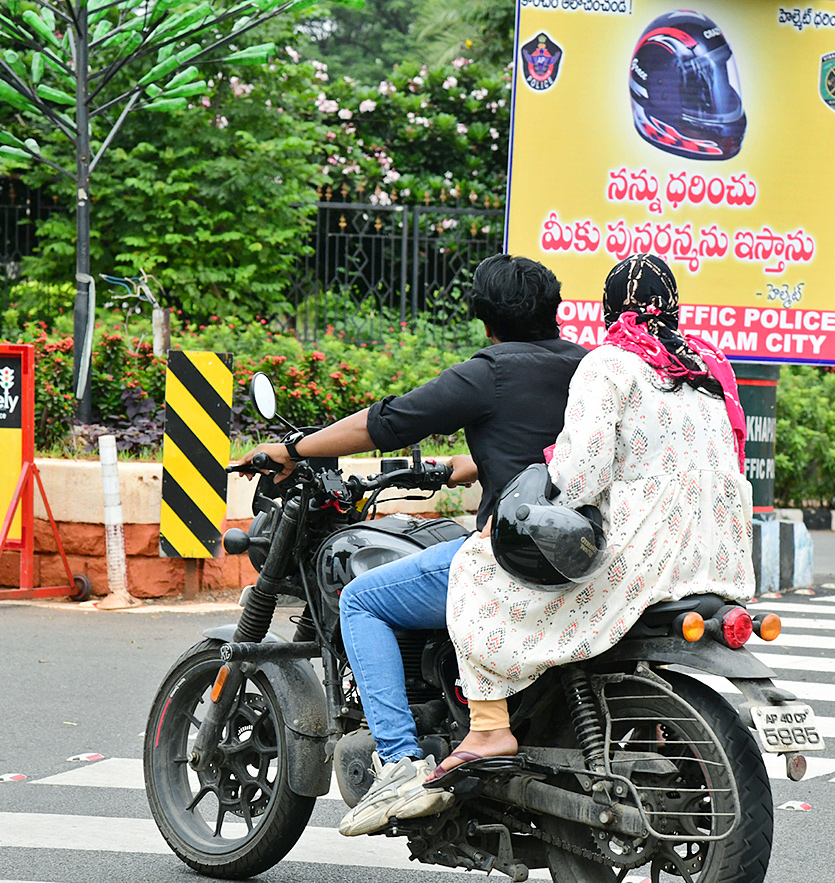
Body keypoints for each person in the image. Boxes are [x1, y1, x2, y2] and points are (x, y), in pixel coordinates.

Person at [231, 254, 587, 836]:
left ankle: (397, 762)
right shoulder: (590, 368)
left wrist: (294, 450)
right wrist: (470, 466)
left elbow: (386, 422)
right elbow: (554, 446)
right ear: (554, 309)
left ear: (484, 318)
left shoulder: (490, 370)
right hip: (587, 556)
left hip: (515, 558)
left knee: (361, 601)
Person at [430, 253, 754, 779]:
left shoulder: (610, 364)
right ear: (673, 307)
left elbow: (580, 476)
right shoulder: (709, 369)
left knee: (474, 566)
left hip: (647, 555)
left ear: (608, 310)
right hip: (720, 559)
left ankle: (488, 726)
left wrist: (526, 506)